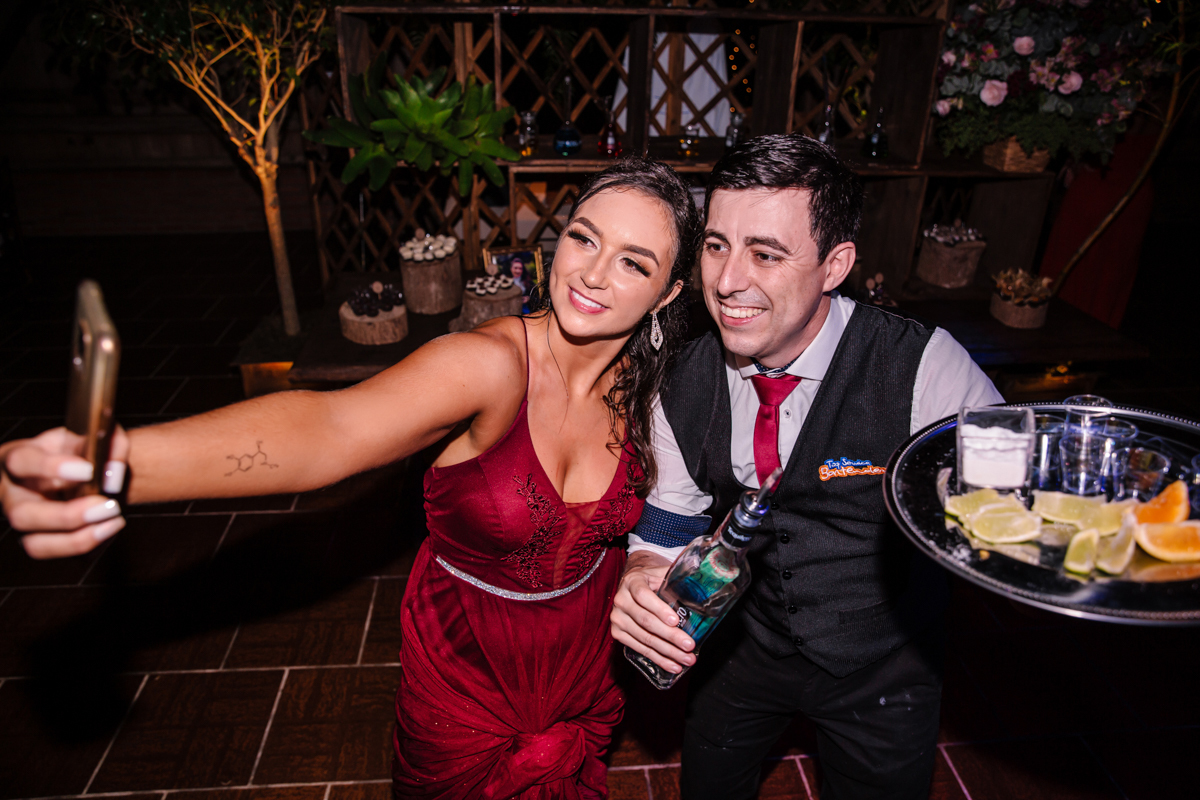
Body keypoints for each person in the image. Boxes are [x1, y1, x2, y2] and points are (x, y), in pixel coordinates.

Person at [0, 157, 700, 800]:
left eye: (631, 262)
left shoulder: (652, 391)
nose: (592, 273)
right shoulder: (489, 366)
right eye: (583, 238)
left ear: (667, 293)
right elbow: (329, 429)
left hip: (583, 670)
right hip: (468, 678)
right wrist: (118, 464)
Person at [610, 134, 1003, 800]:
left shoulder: (924, 367)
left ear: (834, 264)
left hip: (882, 661)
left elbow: (1011, 500)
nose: (727, 281)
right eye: (716, 245)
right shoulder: (679, 378)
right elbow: (671, 516)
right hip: (741, 646)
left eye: (766, 254)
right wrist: (643, 571)